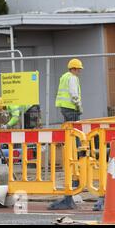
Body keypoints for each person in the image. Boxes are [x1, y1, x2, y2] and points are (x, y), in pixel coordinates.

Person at [48, 58, 84, 210]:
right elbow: (74, 93)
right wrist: (78, 105)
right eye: (79, 69)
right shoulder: (72, 78)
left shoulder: (64, 76)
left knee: (70, 133)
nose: (80, 71)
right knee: (75, 134)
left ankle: (73, 151)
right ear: (75, 68)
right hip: (71, 108)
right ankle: (76, 154)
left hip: (64, 107)